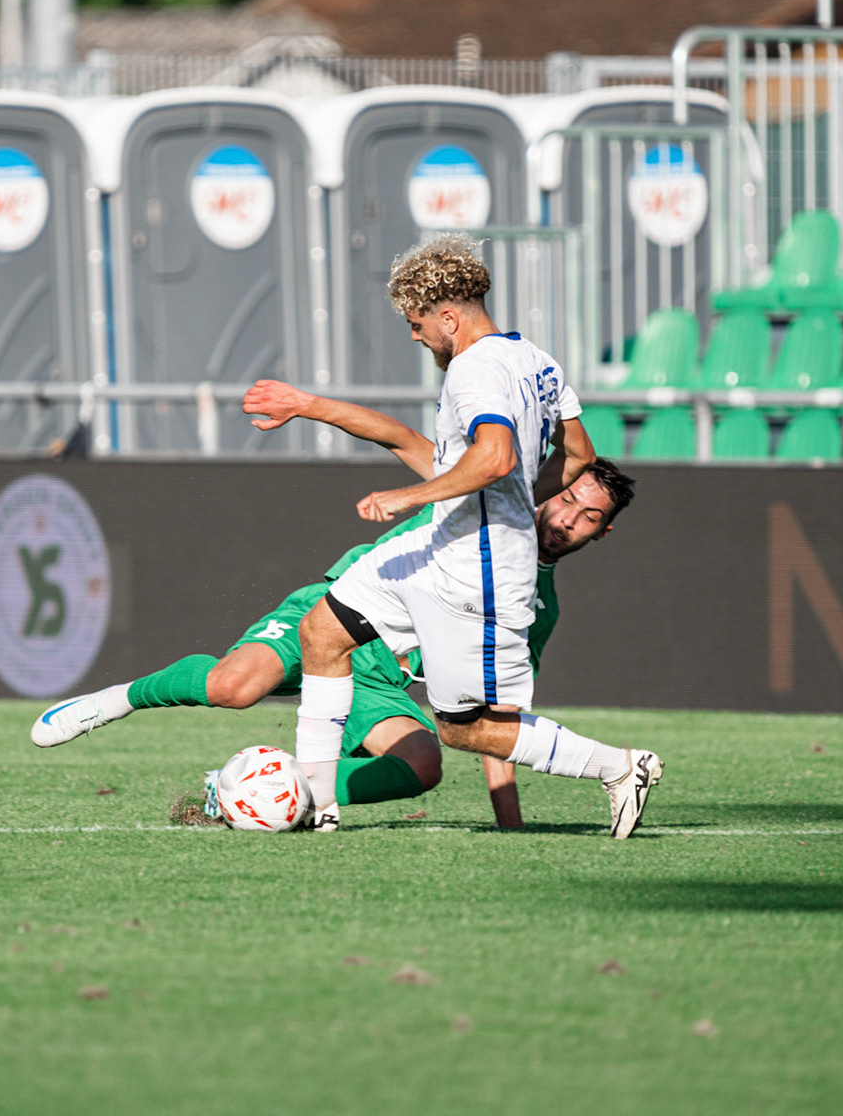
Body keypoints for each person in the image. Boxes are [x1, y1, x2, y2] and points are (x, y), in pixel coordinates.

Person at [245, 233, 661, 836]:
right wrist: (516, 498)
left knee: (461, 728)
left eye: (418, 325)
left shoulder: (473, 370)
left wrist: (409, 496)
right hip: (445, 545)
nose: (416, 337)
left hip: (478, 565)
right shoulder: (537, 361)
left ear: (447, 316)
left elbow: (492, 457)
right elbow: (579, 455)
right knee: (321, 632)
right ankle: (319, 803)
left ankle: (618, 767)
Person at [33, 459, 634, 828]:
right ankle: (120, 699)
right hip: (329, 618)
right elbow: (399, 436)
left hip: (376, 678)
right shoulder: (477, 510)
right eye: (565, 498)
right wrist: (309, 405)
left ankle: (271, 795)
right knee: (234, 687)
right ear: (547, 487)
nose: (565, 518)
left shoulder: (537, 607)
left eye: (586, 517)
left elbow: (495, 718)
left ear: (602, 534)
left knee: (423, 764)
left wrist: (510, 826)